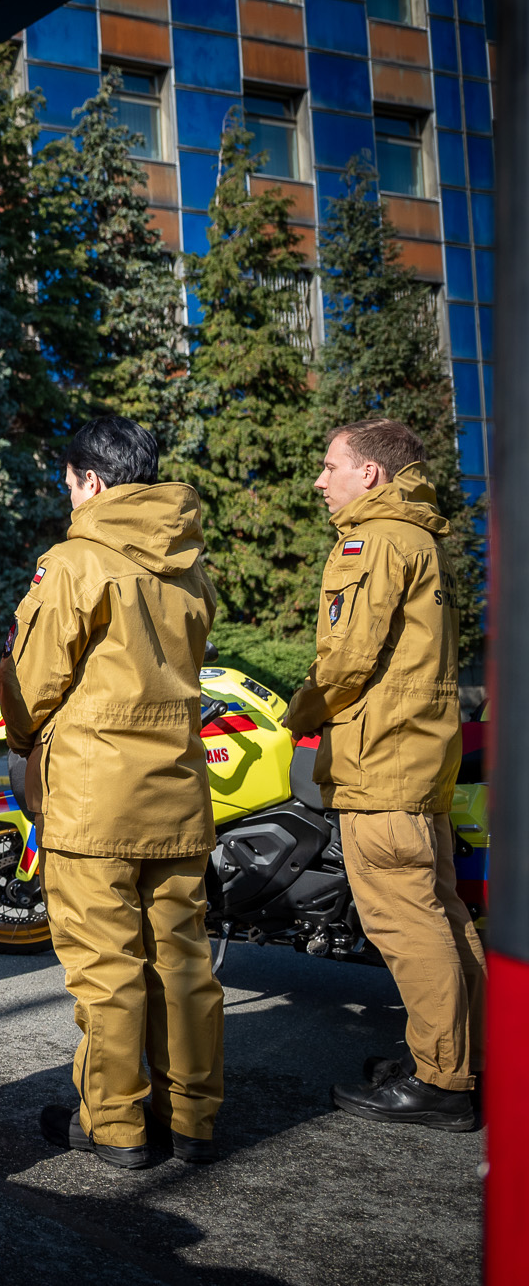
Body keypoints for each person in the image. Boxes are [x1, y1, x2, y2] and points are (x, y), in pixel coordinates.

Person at [0, 416, 224, 1171]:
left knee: (107, 968)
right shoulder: (189, 566)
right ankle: (192, 1118)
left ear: (92, 481)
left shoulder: (73, 562)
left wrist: (21, 739)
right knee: (182, 963)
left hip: (95, 798)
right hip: (178, 790)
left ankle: (116, 1124)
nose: (68, 497)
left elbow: (31, 683)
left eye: (69, 484)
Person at [283, 419, 483, 1130]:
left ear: (369, 473)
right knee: (442, 915)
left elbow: (347, 657)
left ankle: (442, 1081)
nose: (320, 480)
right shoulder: (421, 537)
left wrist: (298, 711)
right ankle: (466, 1059)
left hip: (383, 759)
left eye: (330, 465)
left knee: (406, 921)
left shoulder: (374, 539)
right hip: (417, 755)